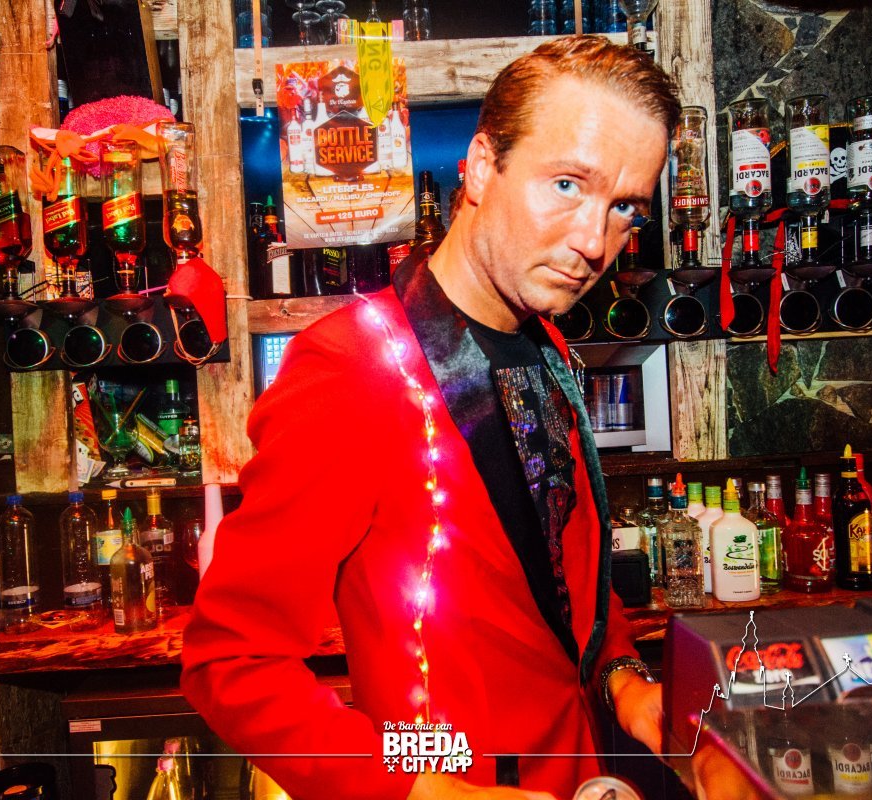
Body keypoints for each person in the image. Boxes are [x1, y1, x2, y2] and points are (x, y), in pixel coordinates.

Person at [182, 34, 679, 800]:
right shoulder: (351, 366)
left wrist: (622, 676)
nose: (593, 241)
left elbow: (561, 575)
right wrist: (418, 792)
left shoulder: (547, 348)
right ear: (481, 166)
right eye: (567, 185)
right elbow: (230, 661)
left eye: (623, 209)